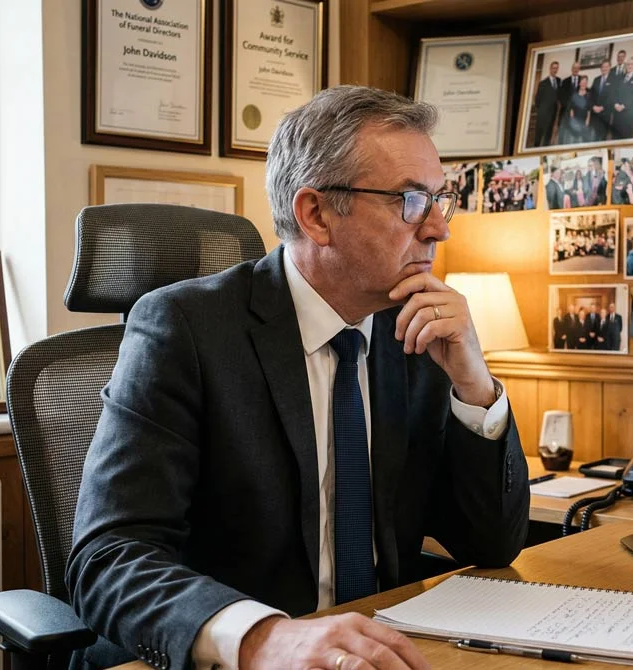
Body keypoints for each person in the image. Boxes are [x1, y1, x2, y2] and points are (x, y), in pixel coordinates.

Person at [66, 86, 530, 670]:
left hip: (376, 651)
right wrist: (262, 637)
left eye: (441, 200)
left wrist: (475, 387)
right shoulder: (185, 328)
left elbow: (491, 545)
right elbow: (108, 559)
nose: (439, 228)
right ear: (316, 215)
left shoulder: (414, 330)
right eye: (412, 201)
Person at [612, 57, 633, 139]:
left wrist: (624, 105)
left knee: (627, 134)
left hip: (630, 110)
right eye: (627, 64)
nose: (629, 66)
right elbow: (615, 92)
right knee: (616, 134)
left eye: (631, 64)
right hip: (618, 110)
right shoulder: (620, 77)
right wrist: (616, 104)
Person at [534, 61, 561, 147]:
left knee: (548, 134)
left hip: (553, 113)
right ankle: (535, 148)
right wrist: (541, 111)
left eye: (556, 68)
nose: (555, 70)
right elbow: (537, 99)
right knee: (539, 134)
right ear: (550, 69)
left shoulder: (559, 81)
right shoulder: (543, 83)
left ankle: (545, 148)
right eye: (553, 68)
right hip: (543, 113)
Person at [557, 62, 585, 144]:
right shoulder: (565, 81)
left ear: (579, 69)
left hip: (578, 112)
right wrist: (569, 108)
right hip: (565, 111)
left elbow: (584, 95)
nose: (575, 70)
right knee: (562, 132)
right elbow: (561, 96)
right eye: (574, 68)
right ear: (571, 69)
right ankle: (561, 146)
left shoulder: (582, 80)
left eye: (577, 68)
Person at [563, 75, 592, 146]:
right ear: (579, 83)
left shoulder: (589, 95)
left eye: (585, 83)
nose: (583, 84)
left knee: (582, 139)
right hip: (575, 118)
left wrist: (587, 120)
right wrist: (572, 120)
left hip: (584, 119)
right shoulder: (574, 94)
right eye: (582, 82)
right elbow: (571, 108)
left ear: (587, 84)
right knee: (573, 138)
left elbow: (589, 109)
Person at [589, 61, 613, 141]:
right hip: (595, 113)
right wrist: (593, 106)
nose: (604, 68)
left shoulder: (614, 80)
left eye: (606, 67)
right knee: (594, 136)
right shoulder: (596, 79)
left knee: (603, 136)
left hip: (605, 113)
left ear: (610, 68)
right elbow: (591, 95)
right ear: (600, 68)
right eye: (603, 67)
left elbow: (612, 97)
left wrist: (602, 107)